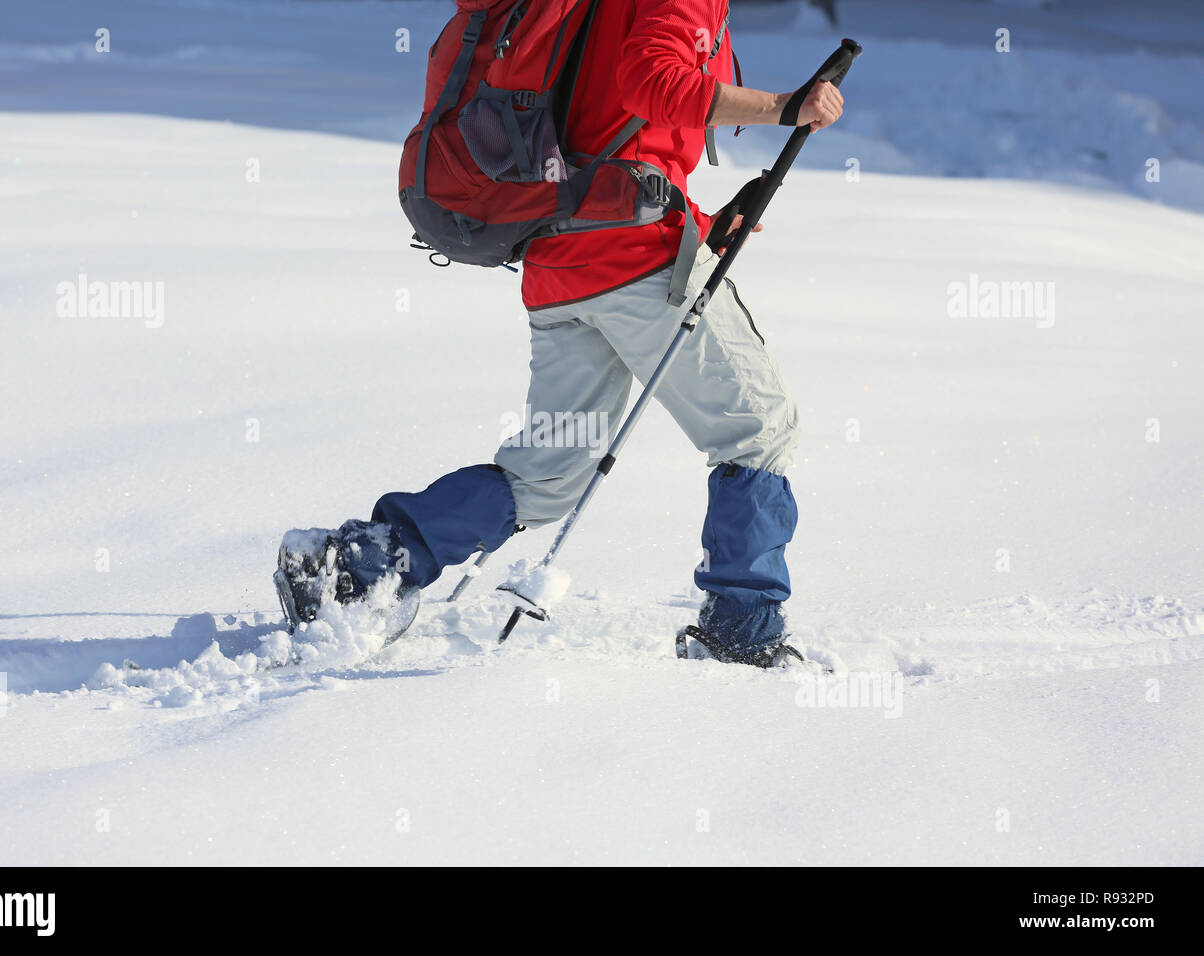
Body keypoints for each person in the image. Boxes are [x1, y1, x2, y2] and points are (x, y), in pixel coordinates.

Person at [277, 0, 843, 668]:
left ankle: (361, 563)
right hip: (635, 260)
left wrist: (697, 221)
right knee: (758, 428)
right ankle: (743, 633)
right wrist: (786, 107)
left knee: (549, 474)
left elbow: (600, 128)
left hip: (562, 261)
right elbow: (651, 85)